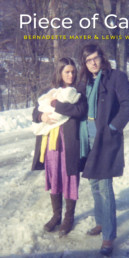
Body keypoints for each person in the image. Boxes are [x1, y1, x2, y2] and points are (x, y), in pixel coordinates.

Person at [79, 44, 129, 256]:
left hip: (106, 139)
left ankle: (109, 237)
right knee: (94, 184)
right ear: (84, 63)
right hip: (88, 138)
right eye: (88, 60)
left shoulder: (116, 77)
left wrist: (113, 127)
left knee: (105, 187)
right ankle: (101, 222)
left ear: (102, 58)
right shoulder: (85, 81)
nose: (93, 63)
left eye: (96, 58)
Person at [31, 57, 87, 237]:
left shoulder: (78, 91)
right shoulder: (51, 92)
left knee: (69, 176)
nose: (71, 75)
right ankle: (56, 215)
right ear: (60, 73)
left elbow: (79, 111)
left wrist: (58, 104)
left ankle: (68, 217)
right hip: (51, 141)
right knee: (54, 174)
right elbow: (35, 110)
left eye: (72, 71)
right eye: (67, 72)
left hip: (69, 141)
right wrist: (42, 117)